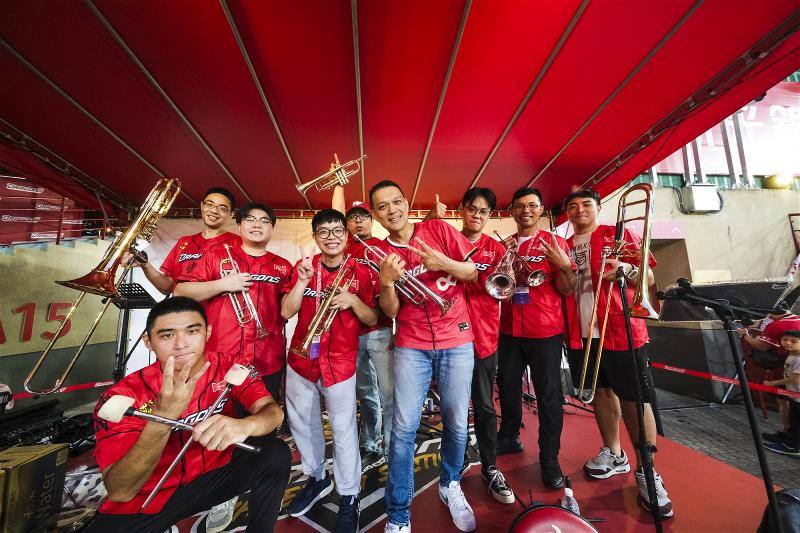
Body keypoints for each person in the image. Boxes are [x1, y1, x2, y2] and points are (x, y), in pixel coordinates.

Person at [85, 296, 289, 533]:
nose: (181, 344)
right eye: (167, 335)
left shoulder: (230, 367)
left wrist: (245, 426)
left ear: (208, 332)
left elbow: (272, 412)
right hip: (152, 495)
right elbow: (120, 490)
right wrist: (162, 418)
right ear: (148, 342)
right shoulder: (122, 396)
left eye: (192, 331)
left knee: (276, 453)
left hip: (216, 474)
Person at [370, 180, 479, 533]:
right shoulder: (378, 254)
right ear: (376, 214)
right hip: (412, 344)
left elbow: (472, 272)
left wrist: (442, 261)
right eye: (383, 207)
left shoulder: (436, 229)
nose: (392, 210)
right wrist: (387, 282)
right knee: (402, 429)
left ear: (407, 202)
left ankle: (450, 485)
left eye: (396, 202)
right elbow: (390, 311)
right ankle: (399, 513)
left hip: (457, 340)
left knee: (457, 422)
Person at [563, 188, 672, 519]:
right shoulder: (565, 247)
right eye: (572, 206)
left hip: (620, 329)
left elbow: (649, 275)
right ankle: (614, 453)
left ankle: (647, 470)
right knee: (601, 393)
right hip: (582, 333)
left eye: (585, 204)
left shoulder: (618, 234)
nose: (579, 210)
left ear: (598, 208)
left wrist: (627, 270)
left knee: (635, 399)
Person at [281, 209, 378, 533]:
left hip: (339, 362)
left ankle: (349, 496)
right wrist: (303, 281)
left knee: (344, 430)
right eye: (324, 232)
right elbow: (286, 310)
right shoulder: (304, 267)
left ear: (346, 235)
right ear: (315, 236)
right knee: (303, 425)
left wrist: (352, 300)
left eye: (337, 230)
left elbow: (371, 318)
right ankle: (317, 478)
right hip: (301, 360)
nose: (331, 236)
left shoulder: (361, 272)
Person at [495, 187, 576, 491]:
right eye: (519, 206)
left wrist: (565, 266)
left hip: (544, 330)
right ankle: (509, 436)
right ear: (512, 211)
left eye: (531, 205)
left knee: (549, 396)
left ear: (541, 210)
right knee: (507, 386)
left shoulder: (556, 243)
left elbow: (567, 289)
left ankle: (549, 457)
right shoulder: (504, 246)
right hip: (509, 329)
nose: (525, 210)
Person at [175, 203, 291, 401]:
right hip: (221, 357)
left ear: (272, 228)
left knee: (263, 422)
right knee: (218, 423)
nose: (257, 224)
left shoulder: (283, 266)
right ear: (239, 226)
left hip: (267, 358)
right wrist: (223, 284)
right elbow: (180, 292)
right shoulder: (215, 256)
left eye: (265, 221)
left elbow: (287, 310)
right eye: (250, 219)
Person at [457, 187, 515, 504]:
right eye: (472, 209)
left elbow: (503, 288)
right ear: (462, 209)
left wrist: (505, 270)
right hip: (450, 334)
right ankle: (453, 467)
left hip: (484, 335)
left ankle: (490, 467)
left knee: (483, 405)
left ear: (489, 216)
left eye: (484, 212)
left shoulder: (497, 248)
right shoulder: (448, 242)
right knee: (452, 407)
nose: (477, 216)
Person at [334, 185, 395, 470]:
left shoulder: (385, 247)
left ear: (372, 219)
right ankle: (371, 445)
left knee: (390, 393)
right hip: (351, 334)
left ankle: (394, 446)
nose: (358, 221)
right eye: (353, 217)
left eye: (363, 216)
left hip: (381, 331)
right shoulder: (342, 250)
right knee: (367, 394)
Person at [129, 187, 240, 295]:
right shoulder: (184, 242)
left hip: (216, 313)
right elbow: (166, 288)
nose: (214, 210)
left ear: (231, 214)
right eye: (209, 204)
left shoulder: (238, 243)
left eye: (222, 208)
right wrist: (145, 265)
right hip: (181, 311)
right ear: (202, 206)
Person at [763, 331, 800, 457]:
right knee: (793, 419)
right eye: (785, 339)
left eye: (794, 341)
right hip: (794, 395)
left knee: (796, 422)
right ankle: (790, 440)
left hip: (798, 396)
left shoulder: (799, 359)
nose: (788, 343)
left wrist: (773, 383)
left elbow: (795, 379)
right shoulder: (791, 354)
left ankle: (793, 447)